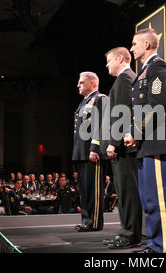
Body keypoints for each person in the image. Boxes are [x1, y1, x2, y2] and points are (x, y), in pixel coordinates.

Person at [125, 28, 166, 253]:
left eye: (134, 44)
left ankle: (162, 249)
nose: (131, 48)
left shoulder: (159, 67)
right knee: (148, 200)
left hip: (155, 141)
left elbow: (156, 104)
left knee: (159, 201)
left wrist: (136, 132)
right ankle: (154, 245)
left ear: (146, 45)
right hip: (145, 143)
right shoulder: (145, 71)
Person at [103, 46, 143, 249]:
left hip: (125, 148)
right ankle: (127, 232)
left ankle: (130, 235)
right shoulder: (125, 78)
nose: (107, 64)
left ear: (120, 59)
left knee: (128, 192)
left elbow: (124, 112)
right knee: (125, 192)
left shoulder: (125, 78)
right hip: (125, 146)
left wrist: (113, 141)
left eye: (109, 60)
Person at [72, 71, 107, 232]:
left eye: (81, 82)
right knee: (84, 190)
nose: (78, 85)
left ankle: (94, 222)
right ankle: (87, 220)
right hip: (81, 151)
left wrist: (95, 147)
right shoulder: (84, 102)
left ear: (92, 83)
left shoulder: (100, 99)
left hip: (92, 151)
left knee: (93, 190)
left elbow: (101, 125)